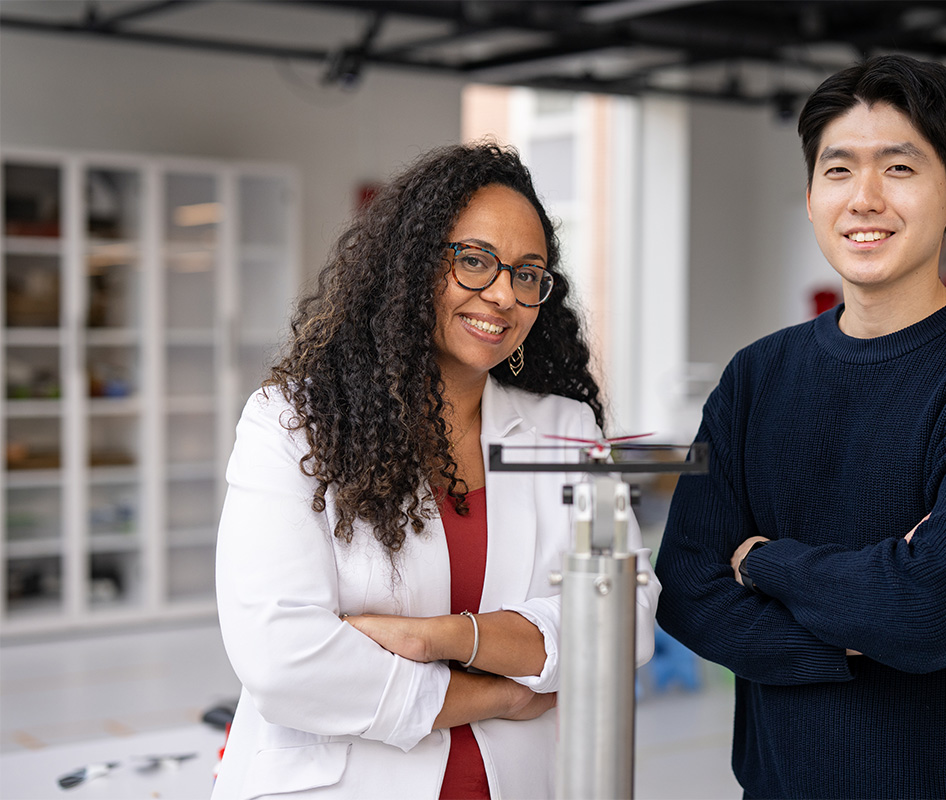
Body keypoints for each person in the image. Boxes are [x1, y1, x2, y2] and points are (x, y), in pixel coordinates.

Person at [654, 54, 946, 799]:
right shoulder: (755, 377)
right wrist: (857, 630)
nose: (865, 199)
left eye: (900, 169)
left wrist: (764, 564)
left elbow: (934, 608)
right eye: (838, 170)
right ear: (812, 196)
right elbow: (686, 588)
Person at [212, 143, 660, 800]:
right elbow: (283, 662)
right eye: (475, 262)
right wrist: (497, 696)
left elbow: (623, 620)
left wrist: (440, 639)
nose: (504, 294)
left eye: (528, 273)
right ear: (413, 266)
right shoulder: (292, 423)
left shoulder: (563, 431)